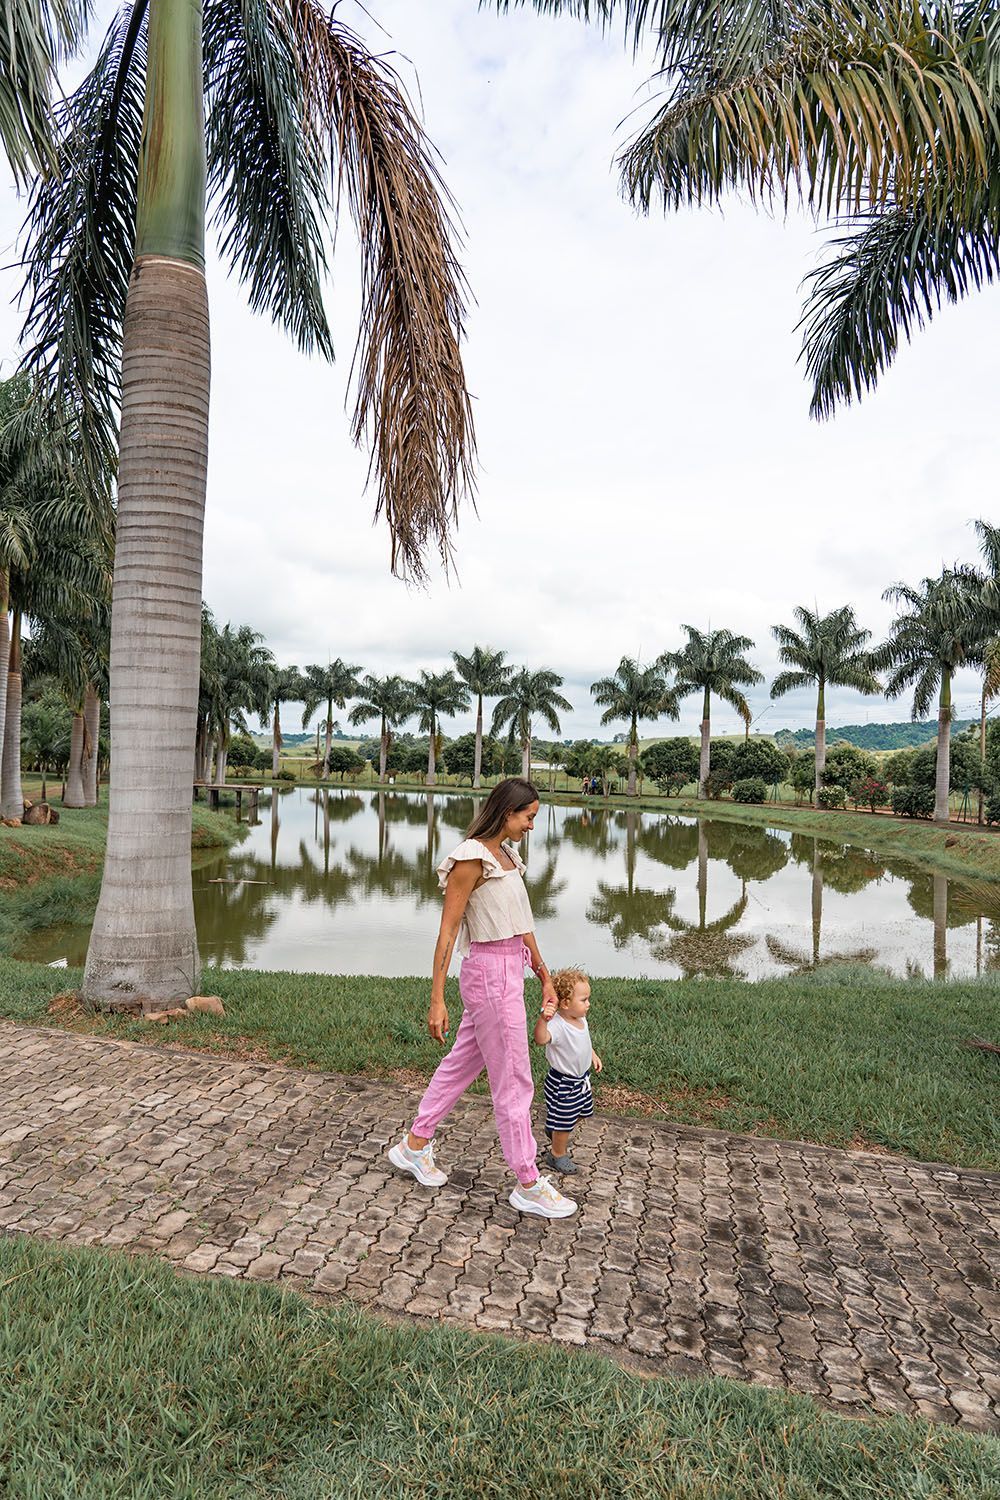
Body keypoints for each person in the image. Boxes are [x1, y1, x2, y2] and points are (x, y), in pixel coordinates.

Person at [387, 778, 577, 1219]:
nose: (532, 825)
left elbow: (522, 923)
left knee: (459, 1066)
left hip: (512, 969)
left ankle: (415, 1145)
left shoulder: (507, 855)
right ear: (506, 812)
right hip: (489, 974)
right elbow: (448, 933)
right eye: (528, 816)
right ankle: (528, 1181)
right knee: (514, 1079)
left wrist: (544, 976)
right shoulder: (469, 859)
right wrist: (437, 998)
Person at [533, 968, 602, 1175]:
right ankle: (556, 1154)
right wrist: (543, 1020)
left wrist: (592, 1054)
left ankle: (554, 1128)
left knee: (581, 1113)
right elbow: (540, 1039)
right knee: (564, 1123)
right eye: (584, 1000)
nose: (588, 1004)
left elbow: (583, 1043)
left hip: (582, 1081)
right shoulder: (558, 1025)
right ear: (564, 1004)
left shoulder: (581, 1020)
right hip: (563, 1083)